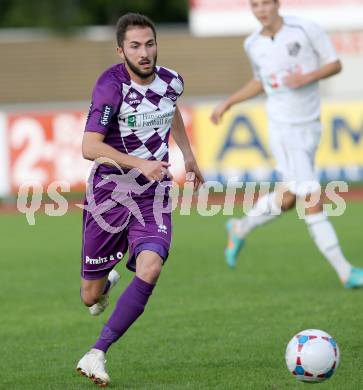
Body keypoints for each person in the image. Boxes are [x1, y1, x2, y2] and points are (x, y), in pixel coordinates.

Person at [76, 13, 203, 387]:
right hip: (109, 194)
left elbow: (171, 110)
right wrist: (140, 164)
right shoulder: (110, 87)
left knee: (151, 267)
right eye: (135, 46)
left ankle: (97, 353)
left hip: (154, 192)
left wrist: (189, 156)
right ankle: (105, 282)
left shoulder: (172, 81)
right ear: (121, 50)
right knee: (90, 296)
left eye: (149, 44)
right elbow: (89, 146)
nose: (144, 52)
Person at [211, 0, 363, 288]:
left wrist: (307, 77)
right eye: (255, 5)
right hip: (284, 128)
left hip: (310, 124)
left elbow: (335, 64)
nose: (261, 9)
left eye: (265, 3)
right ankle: (346, 272)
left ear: (277, 4)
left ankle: (240, 227)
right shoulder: (252, 44)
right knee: (311, 198)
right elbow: (260, 82)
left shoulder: (306, 29)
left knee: (289, 197)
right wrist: (228, 102)